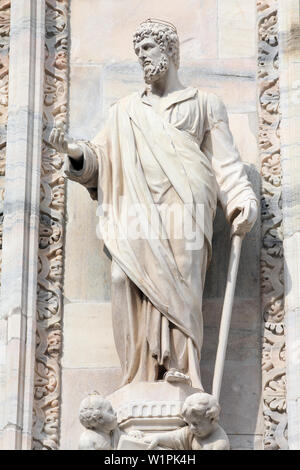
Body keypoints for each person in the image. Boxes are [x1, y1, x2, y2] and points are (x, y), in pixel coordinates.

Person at [49, 19, 257, 390]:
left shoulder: (205, 105)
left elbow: (225, 164)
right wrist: (74, 151)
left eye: (148, 48)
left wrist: (241, 200)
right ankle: (137, 375)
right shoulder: (124, 111)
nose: (142, 57)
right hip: (136, 212)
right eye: (138, 50)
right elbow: (100, 158)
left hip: (185, 211)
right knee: (121, 277)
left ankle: (182, 371)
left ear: (170, 51)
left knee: (182, 284)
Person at [144, 392, 230, 450]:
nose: (192, 428)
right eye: (188, 423)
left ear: (212, 419)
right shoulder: (193, 432)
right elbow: (175, 438)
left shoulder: (219, 445)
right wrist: (158, 438)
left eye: (195, 423)